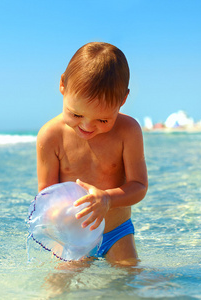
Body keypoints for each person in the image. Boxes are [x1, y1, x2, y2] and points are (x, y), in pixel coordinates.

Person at [36, 42, 148, 266]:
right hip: (72, 235)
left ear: (123, 100)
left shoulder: (128, 131)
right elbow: (47, 197)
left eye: (103, 120)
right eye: (76, 114)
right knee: (57, 287)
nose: (87, 126)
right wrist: (57, 217)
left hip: (117, 232)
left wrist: (107, 199)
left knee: (129, 280)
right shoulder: (50, 136)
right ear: (62, 85)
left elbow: (139, 186)